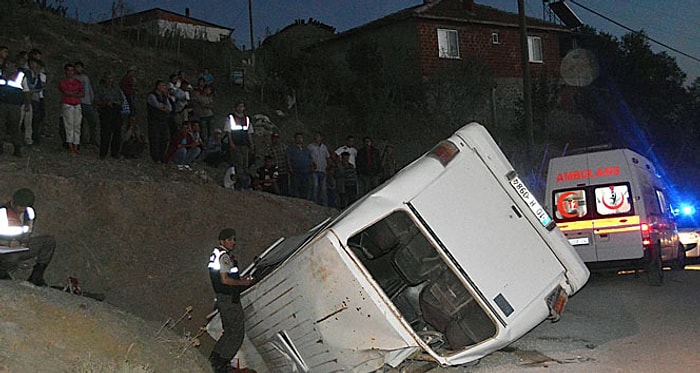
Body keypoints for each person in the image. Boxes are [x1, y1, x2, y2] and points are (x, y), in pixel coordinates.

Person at [207, 228, 253, 373]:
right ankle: (221, 364)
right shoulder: (225, 257)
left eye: (234, 239)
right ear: (222, 241)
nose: (233, 242)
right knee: (236, 333)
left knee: (228, 332)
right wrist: (243, 283)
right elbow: (225, 279)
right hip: (228, 299)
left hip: (223, 297)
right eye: (229, 239)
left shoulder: (217, 254)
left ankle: (214, 361)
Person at [0, 188, 56, 286]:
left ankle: (36, 276)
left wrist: (24, 241)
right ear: (13, 202)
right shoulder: (3, 213)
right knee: (13, 257)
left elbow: (28, 231)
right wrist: (8, 243)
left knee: (49, 241)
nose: (22, 209)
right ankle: (2, 273)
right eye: (20, 206)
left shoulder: (29, 213)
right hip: (4, 250)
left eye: (25, 207)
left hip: (19, 247)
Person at [0, 56, 28, 157]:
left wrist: (27, 104)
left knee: (15, 126)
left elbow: (26, 91)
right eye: (6, 64)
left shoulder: (20, 75)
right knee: (0, 125)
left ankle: (17, 147)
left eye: (10, 64)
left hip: (15, 105)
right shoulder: (0, 73)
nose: (8, 66)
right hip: (2, 103)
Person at [223, 101, 254, 185]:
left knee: (245, 164)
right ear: (236, 107)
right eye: (239, 106)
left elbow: (249, 133)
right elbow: (228, 131)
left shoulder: (247, 119)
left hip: (245, 144)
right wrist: (231, 142)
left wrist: (251, 144)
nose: (241, 108)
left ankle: (245, 183)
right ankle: (239, 183)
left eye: (242, 107)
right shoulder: (231, 117)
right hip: (236, 144)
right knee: (238, 163)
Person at [94, 72, 123, 159]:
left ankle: (115, 152)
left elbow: (121, 99)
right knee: (105, 133)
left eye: (111, 78)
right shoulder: (101, 89)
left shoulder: (116, 89)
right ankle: (103, 153)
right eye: (108, 78)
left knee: (117, 132)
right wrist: (105, 103)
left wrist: (115, 103)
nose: (110, 80)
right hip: (105, 112)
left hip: (116, 111)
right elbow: (96, 101)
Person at [58, 63, 85, 154]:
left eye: (72, 70)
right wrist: (75, 93)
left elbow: (82, 93)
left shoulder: (78, 83)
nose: (70, 72)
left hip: (76, 105)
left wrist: (73, 93)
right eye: (68, 70)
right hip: (68, 105)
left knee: (77, 125)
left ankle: (76, 145)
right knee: (69, 125)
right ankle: (70, 145)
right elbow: (66, 92)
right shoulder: (63, 82)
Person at [146, 80, 172, 163]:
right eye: (162, 86)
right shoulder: (151, 96)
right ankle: (155, 157)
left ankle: (162, 156)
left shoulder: (164, 97)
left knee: (164, 139)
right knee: (155, 139)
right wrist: (164, 108)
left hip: (163, 120)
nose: (164, 88)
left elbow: (170, 108)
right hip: (154, 120)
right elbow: (157, 105)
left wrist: (165, 106)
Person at [74, 61, 99, 146]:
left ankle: (92, 138)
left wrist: (93, 100)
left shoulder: (85, 77)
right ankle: (81, 139)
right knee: (80, 122)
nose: (78, 69)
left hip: (87, 102)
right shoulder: (74, 78)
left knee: (92, 121)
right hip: (78, 102)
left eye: (79, 67)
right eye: (77, 67)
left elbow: (89, 89)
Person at [286, 132, 312, 200]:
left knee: (305, 190)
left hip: (306, 172)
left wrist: (311, 167)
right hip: (296, 172)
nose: (299, 139)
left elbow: (310, 159)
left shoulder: (306, 150)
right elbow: (288, 159)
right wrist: (290, 168)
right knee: (295, 189)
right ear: (295, 139)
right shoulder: (291, 149)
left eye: (301, 138)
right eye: (298, 138)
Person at [307, 132, 330, 205]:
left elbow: (327, 157)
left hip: (323, 170)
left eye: (318, 137)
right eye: (315, 137)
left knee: (323, 188)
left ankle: (324, 203)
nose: (317, 138)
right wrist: (311, 164)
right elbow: (307, 157)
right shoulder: (310, 147)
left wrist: (329, 166)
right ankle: (315, 202)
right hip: (315, 170)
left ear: (321, 138)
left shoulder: (324, 147)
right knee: (315, 186)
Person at [265, 131, 289, 196]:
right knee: (276, 189)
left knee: (285, 188)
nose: (276, 140)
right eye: (274, 138)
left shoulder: (284, 147)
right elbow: (267, 160)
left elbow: (287, 158)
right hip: (275, 171)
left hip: (284, 170)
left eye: (277, 138)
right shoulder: (269, 148)